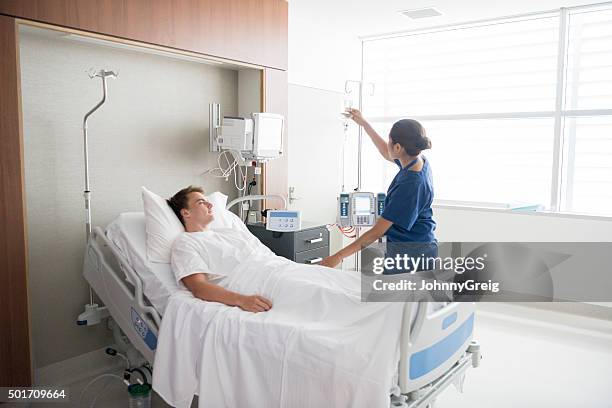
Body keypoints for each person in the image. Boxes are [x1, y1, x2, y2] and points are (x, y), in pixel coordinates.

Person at [320, 109, 437, 272]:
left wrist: (337, 257)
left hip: (411, 255)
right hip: (418, 247)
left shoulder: (410, 185)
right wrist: (364, 123)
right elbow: (385, 151)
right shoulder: (417, 159)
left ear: (398, 147)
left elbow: (376, 232)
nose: (387, 144)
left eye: (390, 140)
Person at [167, 186, 273, 313]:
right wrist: (242, 300)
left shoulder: (231, 232)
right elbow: (198, 287)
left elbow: (268, 257)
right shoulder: (185, 243)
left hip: (275, 271)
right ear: (186, 213)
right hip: (255, 284)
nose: (210, 205)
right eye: (201, 202)